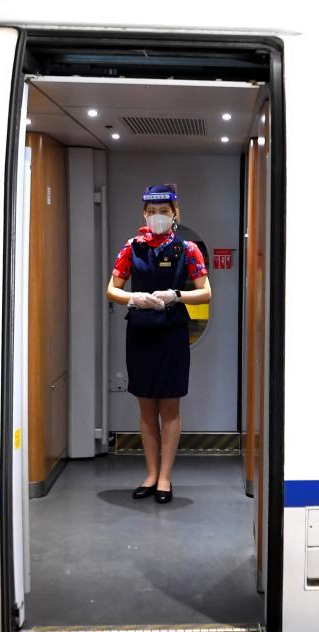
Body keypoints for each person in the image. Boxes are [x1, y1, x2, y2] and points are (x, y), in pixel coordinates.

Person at [105, 183, 212, 504]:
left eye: (163, 211)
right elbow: (112, 289)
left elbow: (205, 292)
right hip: (140, 332)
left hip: (172, 332)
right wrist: (134, 298)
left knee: (170, 406)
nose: (157, 217)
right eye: (152, 212)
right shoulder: (132, 248)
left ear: (175, 213)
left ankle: (165, 477)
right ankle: (150, 474)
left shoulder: (187, 249)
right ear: (144, 214)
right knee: (146, 406)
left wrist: (175, 295)